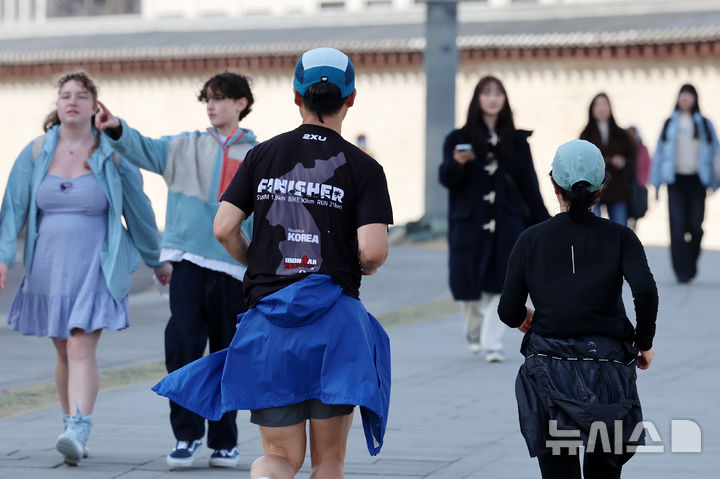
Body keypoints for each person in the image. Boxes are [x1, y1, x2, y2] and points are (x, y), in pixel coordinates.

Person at [152, 47, 394, 479]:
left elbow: (224, 227)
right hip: (335, 326)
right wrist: (364, 266)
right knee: (328, 462)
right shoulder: (364, 167)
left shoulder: (261, 155)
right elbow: (373, 251)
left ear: (296, 97)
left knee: (279, 456)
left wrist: (258, 266)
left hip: (270, 325)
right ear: (351, 98)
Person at [0, 71, 168, 466]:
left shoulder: (113, 154)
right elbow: (13, 211)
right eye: (65, 95)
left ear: (95, 106)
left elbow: (139, 210)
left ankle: (79, 427)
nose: (72, 101)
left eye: (80, 95)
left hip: (96, 264)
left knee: (79, 346)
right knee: (63, 348)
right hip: (47, 267)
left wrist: (156, 259)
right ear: (57, 106)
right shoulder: (36, 152)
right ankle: (69, 424)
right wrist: (4, 259)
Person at [94, 72, 258, 468]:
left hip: (234, 267)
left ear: (241, 103)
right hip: (187, 260)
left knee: (227, 354)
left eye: (220, 98)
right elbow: (145, 150)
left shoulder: (259, 154)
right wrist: (116, 128)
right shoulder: (185, 145)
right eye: (207, 98)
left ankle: (224, 441)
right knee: (182, 346)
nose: (211, 105)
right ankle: (186, 436)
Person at [498, 139, 659, 479]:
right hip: (608, 372)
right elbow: (645, 291)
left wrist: (526, 316)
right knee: (604, 470)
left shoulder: (531, 239)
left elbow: (508, 311)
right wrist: (643, 343)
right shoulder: (621, 237)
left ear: (554, 185)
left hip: (549, 368)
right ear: (601, 188)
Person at [439, 75, 549, 363]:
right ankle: (473, 330)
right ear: (477, 98)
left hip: (507, 223)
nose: (492, 98)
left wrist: (546, 223)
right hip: (469, 224)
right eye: (486, 93)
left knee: (502, 283)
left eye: (498, 93)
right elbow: (446, 178)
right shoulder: (458, 139)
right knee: (468, 289)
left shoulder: (517, 142)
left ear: (505, 100)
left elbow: (530, 187)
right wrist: (457, 164)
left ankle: (493, 343)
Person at [650, 83, 719, 284]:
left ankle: (691, 261)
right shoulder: (669, 123)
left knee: (696, 226)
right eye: (683, 95)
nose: (685, 99)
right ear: (678, 98)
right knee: (677, 227)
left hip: (698, 181)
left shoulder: (705, 124)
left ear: (695, 99)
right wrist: (656, 183)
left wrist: (715, 181)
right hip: (676, 181)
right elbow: (659, 154)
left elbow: (716, 152)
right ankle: (681, 270)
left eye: (689, 95)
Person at [579, 93, 636, 226]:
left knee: (620, 228)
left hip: (618, 189)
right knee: (593, 229)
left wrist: (622, 162)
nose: (601, 108)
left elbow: (632, 159)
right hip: (593, 190)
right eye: (597, 104)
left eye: (604, 104)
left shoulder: (622, 135)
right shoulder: (586, 135)